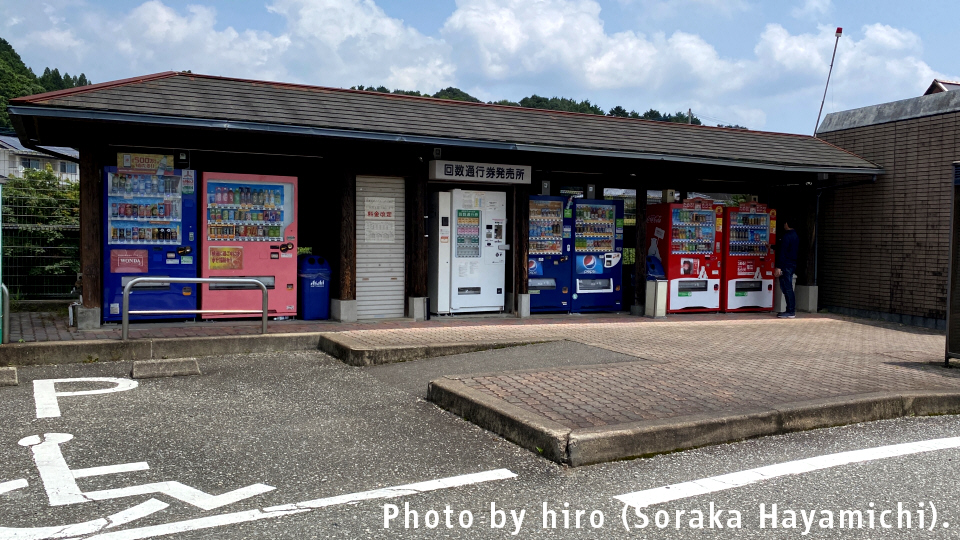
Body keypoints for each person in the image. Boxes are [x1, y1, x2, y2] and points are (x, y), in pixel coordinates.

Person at [774, 217, 799, 318]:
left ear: (787, 224)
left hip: (785, 265)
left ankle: (790, 311)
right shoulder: (795, 235)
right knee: (788, 288)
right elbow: (784, 248)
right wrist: (771, 246)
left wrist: (779, 267)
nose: (784, 225)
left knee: (787, 288)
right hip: (792, 264)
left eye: (785, 223)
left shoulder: (786, 236)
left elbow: (783, 252)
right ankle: (790, 310)